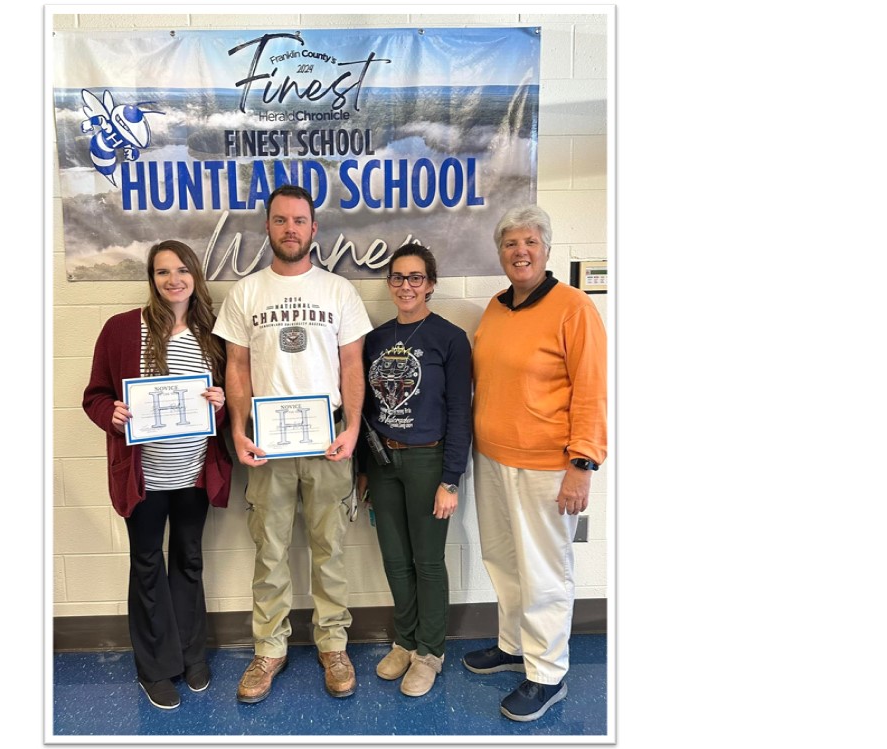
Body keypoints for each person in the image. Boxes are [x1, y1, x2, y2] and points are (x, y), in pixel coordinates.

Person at [213, 183, 373, 703]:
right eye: (280, 220)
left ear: (313, 228)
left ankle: (332, 643)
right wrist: (238, 429)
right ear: (268, 227)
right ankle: (270, 648)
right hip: (267, 441)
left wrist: (351, 427)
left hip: (328, 437)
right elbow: (237, 367)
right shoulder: (246, 293)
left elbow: (353, 364)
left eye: (299, 220)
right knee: (271, 549)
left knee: (329, 548)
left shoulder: (338, 291)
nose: (290, 229)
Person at [463, 205, 608, 722]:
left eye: (529, 242)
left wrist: (582, 464)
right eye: (509, 244)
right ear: (500, 253)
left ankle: (547, 673)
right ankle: (512, 646)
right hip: (494, 460)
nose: (519, 252)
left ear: (546, 250)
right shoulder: (498, 307)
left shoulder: (574, 308)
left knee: (545, 571)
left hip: (548, 465)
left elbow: (593, 389)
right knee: (503, 561)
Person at [81, 240, 232, 711]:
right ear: (151, 279)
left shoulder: (213, 331)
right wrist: (114, 415)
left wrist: (222, 406)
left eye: (182, 270)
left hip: (192, 475)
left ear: (195, 276)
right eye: (163, 272)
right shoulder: (123, 329)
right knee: (147, 566)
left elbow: (227, 403)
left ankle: (191, 655)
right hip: (143, 478)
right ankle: (154, 668)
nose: (173, 280)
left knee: (188, 561)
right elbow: (95, 396)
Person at [356, 243, 472, 697]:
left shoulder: (450, 338)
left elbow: (460, 411)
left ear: (431, 284)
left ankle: (429, 652)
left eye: (416, 278)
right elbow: (365, 407)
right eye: (398, 278)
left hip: (428, 460)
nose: (406, 286)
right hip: (383, 461)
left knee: (427, 562)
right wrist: (364, 469)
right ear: (389, 284)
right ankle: (404, 641)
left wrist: (450, 479)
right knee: (395, 560)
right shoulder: (376, 338)